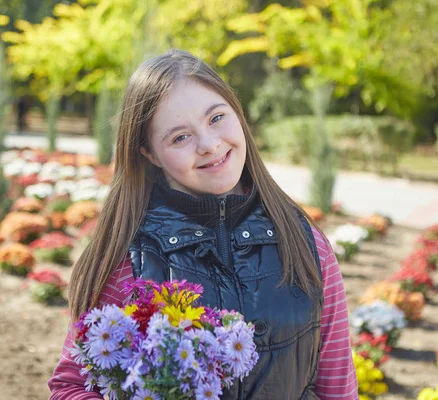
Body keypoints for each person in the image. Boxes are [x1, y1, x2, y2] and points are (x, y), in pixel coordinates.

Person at [48, 49, 358, 399]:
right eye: (180, 137)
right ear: (149, 153)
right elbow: (71, 388)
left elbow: (337, 388)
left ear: (236, 111)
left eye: (216, 118)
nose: (210, 145)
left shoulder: (304, 242)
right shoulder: (129, 257)